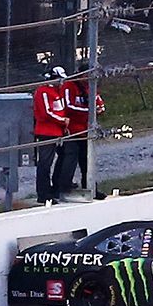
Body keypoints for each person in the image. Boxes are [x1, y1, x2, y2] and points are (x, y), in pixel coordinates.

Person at [58, 68, 104, 196]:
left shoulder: (90, 86)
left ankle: (89, 186)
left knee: (87, 160)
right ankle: (64, 186)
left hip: (87, 130)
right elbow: (68, 106)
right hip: (72, 130)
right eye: (86, 75)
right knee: (70, 158)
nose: (87, 78)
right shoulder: (69, 86)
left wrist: (99, 108)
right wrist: (89, 111)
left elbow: (99, 102)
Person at [32, 67, 69, 204]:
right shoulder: (44, 91)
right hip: (46, 132)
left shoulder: (56, 91)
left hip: (57, 130)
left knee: (65, 156)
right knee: (45, 163)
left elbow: (61, 109)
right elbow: (47, 112)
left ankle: (57, 185)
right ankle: (43, 193)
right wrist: (62, 121)